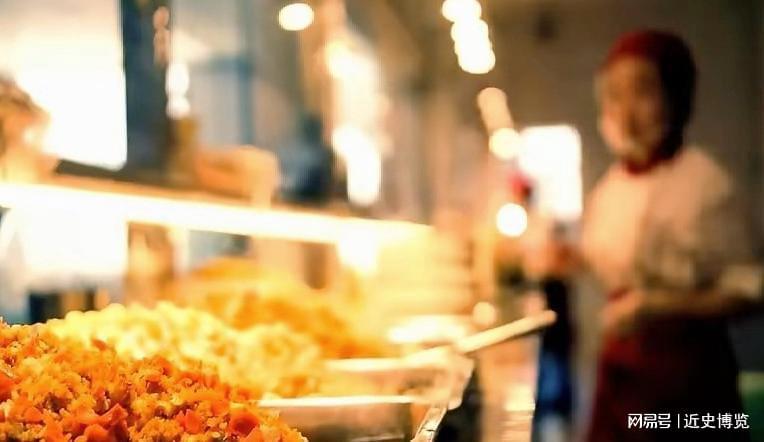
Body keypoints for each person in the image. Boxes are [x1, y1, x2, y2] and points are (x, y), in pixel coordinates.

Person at [555, 30, 762, 441]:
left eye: (642, 92)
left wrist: (659, 306)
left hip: (690, 384)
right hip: (620, 374)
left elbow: (748, 291)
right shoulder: (610, 187)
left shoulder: (707, 186)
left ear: (676, 94)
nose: (626, 114)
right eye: (614, 96)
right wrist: (573, 259)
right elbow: (620, 263)